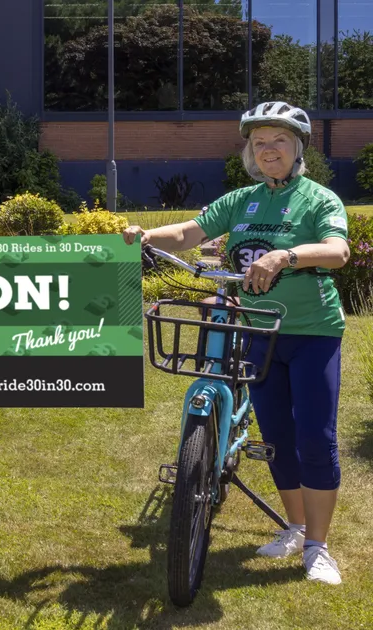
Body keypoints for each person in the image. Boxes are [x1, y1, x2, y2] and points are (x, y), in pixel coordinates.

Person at [122, 101, 351, 585]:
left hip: (311, 333)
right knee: (277, 438)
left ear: (298, 148)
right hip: (255, 330)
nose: (269, 150)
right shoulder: (241, 200)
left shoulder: (320, 200)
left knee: (316, 437)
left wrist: (286, 255)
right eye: (260, 142)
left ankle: (318, 547)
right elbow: (188, 232)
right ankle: (294, 527)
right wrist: (147, 235)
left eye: (279, 141)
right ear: (251, 151)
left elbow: (337, 252)